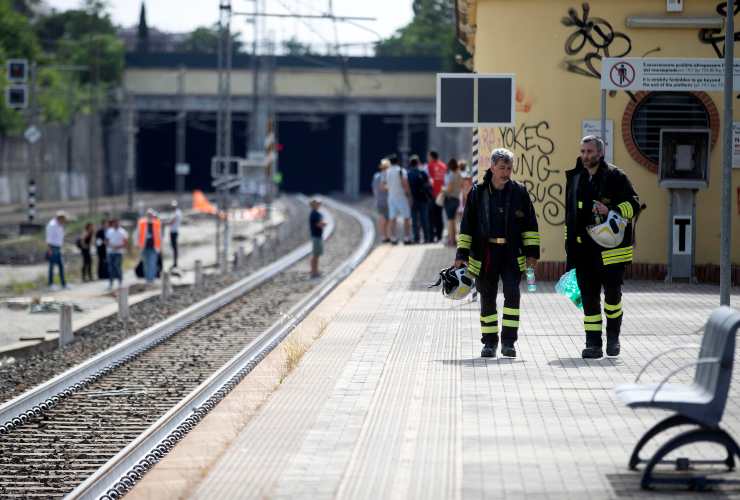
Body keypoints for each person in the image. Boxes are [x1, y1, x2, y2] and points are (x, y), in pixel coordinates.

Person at [454, 148, 540, 358]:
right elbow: (467, 226)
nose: (506, 172)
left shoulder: (519, 192)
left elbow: (530, 225)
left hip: (512, 253)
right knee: (488, 298)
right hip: (486, 254)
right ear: (492, 167)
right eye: (502, 168)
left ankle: (509, 342)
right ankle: (490, 343)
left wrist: (532, 254)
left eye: (509, 168)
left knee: (513, 294)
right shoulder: (477, 192)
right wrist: (461, 255)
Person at [565, 135, 641, 359]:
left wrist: (612, 211)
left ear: (600, 153)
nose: (586, 155)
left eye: (590, 151)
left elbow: (634, 204)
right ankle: (593, 344)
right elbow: (569, 216)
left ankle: (614, 338)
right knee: (589, 299)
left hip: (611, 252)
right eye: (583, 151)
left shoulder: (616, 176)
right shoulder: (575, 178)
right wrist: (569, 251)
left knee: (612, 298)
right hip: (584, 252)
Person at [385, 154, 412, 244]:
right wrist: (409, 194)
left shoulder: (387, 171)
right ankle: (406, 237)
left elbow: (386, 184)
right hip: (401, 197)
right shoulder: (401, 170)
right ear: (398, 161)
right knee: (406, 217)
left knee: (392, 218)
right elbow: (405, 183)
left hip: (391, 197)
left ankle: (393, 237)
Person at [406, 155, 433, 244]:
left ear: (410, 164)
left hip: (413, 200)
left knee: (414, 220)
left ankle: (416, 238)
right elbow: (429, 184)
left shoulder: (408, 174)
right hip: (424, 199)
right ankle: (426, 238)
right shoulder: (423, 173)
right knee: (424, 219)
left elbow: (407, 188)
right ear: (417, 163)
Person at [426, 150, 447, 242]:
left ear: (431, 157)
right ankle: (439, 235)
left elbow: (428, 180)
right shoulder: (443, 166)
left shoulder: (430, 166)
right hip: (441, 195)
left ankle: (431, 237)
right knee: (439, 216)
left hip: (433, 195)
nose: (428, 158)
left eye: (429, 157)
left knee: (431, 217)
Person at [442, 158, 464, 247]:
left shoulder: (451, 175)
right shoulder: (459, 174)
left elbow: (450, 188)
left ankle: (451, 240)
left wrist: (443, 190)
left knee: (450, 221)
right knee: (454, 220)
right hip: (457, 199)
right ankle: (454, 239)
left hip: (450, 199)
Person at [137, 209, 162, 284]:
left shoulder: (157, 223)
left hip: (154, 247)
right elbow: (138, 234)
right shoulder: (142, 223)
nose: (150, 216)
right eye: (149, 215)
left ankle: (151, 280)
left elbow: (159, 236)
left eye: (151, 215)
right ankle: (147, 279)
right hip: (144, 247)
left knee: (152, 264)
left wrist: (160, 247)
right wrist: (137, 245)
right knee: (146, 264)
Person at [45, 210, 68, 290]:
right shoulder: (52, 225)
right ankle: (51, 284)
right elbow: (49, 238)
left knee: (61, 266)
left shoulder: (59, 225)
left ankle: (63, 283)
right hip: (53, 247)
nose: (64, 220)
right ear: (60, 218)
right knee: (52, 266)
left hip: (58, 248)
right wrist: (49, 249)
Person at [371, 159, 391, 243]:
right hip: (387, 200)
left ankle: (383, 236)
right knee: (388, 219)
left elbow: (373, 188)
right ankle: (388, 236)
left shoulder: (376, 176)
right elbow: (384, 187)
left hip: (379, 200)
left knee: (382, 218)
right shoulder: (387, 176)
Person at [105, 218, 128, 290]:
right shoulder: (109, 231)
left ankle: (120, 282)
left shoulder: (123, 232)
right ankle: (111, 283)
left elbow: (125, 243)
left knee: (117, 267)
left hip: (119, 253)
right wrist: (111, 246)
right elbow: (106, 241)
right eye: (114, 223)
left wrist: (117, 247)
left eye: (117, 223)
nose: (116, 224)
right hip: (110, 252)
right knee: (110, 269)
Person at [308, 199, 327, 278]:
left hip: (317, 235)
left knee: (316, 254)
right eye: (318, 204)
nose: (319, 205)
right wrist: (324, 223)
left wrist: (322, 223)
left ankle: (315, 271)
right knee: (315, 255)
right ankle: (313, 272)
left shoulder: (315, 213)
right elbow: (319, 224)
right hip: (316, 236)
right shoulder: (314, 214)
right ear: (314, 205)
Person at [168, 200, 182, 269]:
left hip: (174, 232)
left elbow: (172, 221)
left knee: (174, 248)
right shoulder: (176, 212)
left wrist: (165, 222)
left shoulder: (176, 213)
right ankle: (175, 263)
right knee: (174, 248)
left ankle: (175, 263)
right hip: (174, 231)